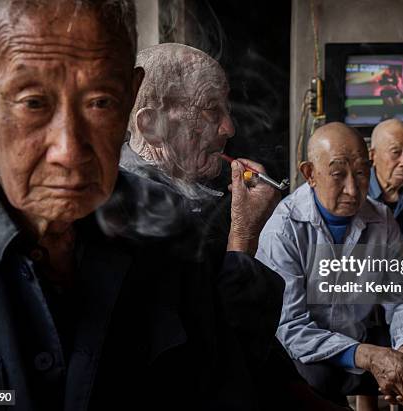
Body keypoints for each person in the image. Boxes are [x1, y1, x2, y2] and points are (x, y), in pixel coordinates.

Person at [0, 2, 281, 410]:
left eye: (101, 102)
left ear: (132, 92)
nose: (69, 151)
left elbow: (220, 386)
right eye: (34, 103)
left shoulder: (167, 228)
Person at [117, 43, 350, 411]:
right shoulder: (135, 216)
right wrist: (244, 234)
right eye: (211, 109)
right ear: (151, 124)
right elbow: (216, 353)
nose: (229, 126)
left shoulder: (187, 198)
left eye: (225, 108)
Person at [257, 122, 403, 409]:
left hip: (359, 335)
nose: (352, 188)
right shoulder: (284, 229)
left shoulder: (381, 219)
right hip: (307, 353)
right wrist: (369, 356)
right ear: (310, 174)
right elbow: (291, 328)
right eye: (338, 174)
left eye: (361, 172)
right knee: (310, 379)